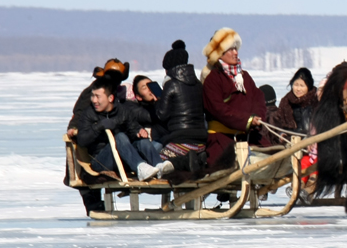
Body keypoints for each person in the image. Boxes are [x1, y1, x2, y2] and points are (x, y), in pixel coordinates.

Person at [200, 27, 270, 172]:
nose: (235, 53)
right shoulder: (212, 79)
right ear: (219, 53)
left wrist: (257, 117)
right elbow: (219, 109)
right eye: (230, 50)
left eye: (236, 49)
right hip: (222, 138)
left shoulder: (244, 76)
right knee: (228, 165)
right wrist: (247, 120)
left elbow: (258, 97)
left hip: (247, 135)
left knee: (275, 156)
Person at [66, 59, 129, 215]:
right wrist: (74, 128)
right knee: (86, 173)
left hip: (105, 142)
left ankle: (95, 204)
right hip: (92, 145)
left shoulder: (114, 91)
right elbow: (79, 114)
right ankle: (93, 204)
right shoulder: (94, 92)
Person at [74, 77, 162, 182]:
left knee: (142, 141)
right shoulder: (89, 113)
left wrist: (138, 132)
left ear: (110, 98)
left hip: (124, 157)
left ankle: (160, 169)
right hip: (101, 161)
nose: (94, 100)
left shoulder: (123, 110)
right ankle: (141, 168)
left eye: (97, 96)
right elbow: (82, 140)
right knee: (120, 137)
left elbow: (133, 127)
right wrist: (99, 126)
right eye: (92, 96)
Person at [153, 40, 209, 180]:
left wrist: (157, 101)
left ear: (169, 68)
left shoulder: (171, 85)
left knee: (157, 161)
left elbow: (161, 115)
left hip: (180, 139)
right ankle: (198, 159)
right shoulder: (198, 84)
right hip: (201, 139)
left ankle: (185, 162)